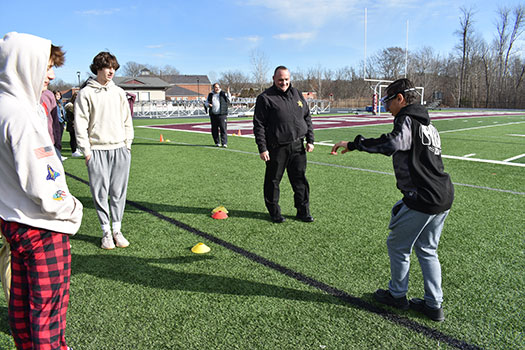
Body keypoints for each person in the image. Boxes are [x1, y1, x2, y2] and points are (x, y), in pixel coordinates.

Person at [331, 78, 454, 322]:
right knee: (427, 249)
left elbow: (394, 143)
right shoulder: (428, 124)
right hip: (443, 194)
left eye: (388, 100)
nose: (386, 106)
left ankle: (397, 295)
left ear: (400, 98)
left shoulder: (407, 119)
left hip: (423, 196)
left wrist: (356, 144)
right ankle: (433, 304)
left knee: (398, 246)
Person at [0, 31, 83, 350]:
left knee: (21, 312)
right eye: (46, 66)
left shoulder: (6, 105)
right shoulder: (21, 113)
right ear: (25, 64)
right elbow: (44, 187)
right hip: (41, 227)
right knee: (48, 316)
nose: (50, 74)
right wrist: (72, 209)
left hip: (13, 223)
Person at [74, 51, 134, 250]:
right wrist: (86, 150)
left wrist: (128, 144)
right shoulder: (86, 93)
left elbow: (127, 120)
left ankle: (117, 229)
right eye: (108, 67)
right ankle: (106, 232)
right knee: (100, 193)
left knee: (118, 192)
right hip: (97, 150)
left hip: (120, 148)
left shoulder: (118, 92)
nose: (111, 71)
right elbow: (80, 124)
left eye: (114, 68)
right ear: (98, 68)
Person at [253, 66, 315, 223]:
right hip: (277, 147)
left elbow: (307, 117)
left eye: (287, 79)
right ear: (274, 79)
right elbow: (259, 125)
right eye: (280, 79)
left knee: (300, 180)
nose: (284, 82)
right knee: (273, 181)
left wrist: (310, 139)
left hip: (298, 146)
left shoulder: (297, 94)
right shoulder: (265, 98)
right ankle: (274, 212)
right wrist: (262, 148)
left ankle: (303, 211)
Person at [207, 83, 230, 147]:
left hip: (222, 114)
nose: (217, 88)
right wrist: (208, 105)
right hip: (213, 114)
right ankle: (217, 142)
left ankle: (224, 143)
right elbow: (206, 102)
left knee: (223, 128)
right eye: (215, 87)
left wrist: (228, 92)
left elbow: (229, 99)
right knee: (214, 129)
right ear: (213, 88)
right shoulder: (210, 95)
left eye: (218, 87)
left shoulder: (223, 93)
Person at [65, 92, 82, 157]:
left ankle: (76, 149)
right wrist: (73, 122)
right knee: (73, 138)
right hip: (72, 125)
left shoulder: (78, 105)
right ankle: (74, 151)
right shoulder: (70, 106)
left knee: (77, 138)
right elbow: (70, 116)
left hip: (77, 124)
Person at [54, 90, 67, 160]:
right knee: (57, 139)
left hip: (62, 122)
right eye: (56, 95)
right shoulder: (53, 103)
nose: (58, 96)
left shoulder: (60, 103)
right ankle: (57, 154)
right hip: (57, 122)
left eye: (59, 95)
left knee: (60, 138)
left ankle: (59, 154)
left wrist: (65, 120)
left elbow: (63, 113)